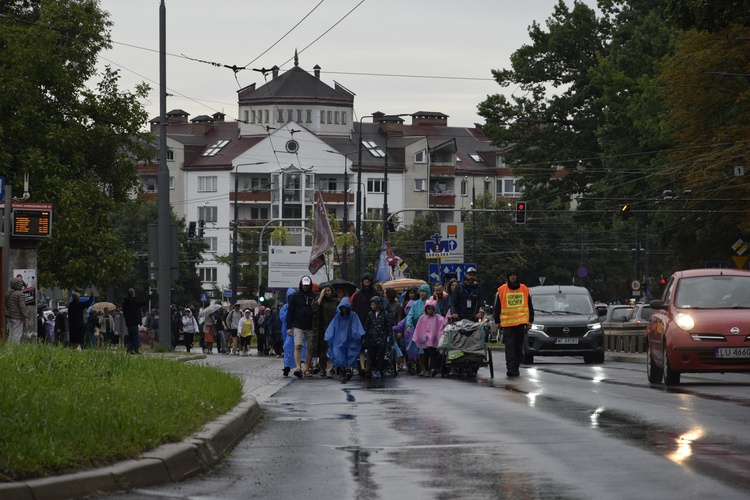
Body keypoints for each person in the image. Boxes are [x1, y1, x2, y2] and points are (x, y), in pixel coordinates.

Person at [492, 268, 534, 377]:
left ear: (517, 276)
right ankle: (510, 368)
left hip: (520, 323)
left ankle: (516, 368)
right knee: (509, 347)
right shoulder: (502, 290)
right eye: (511, 275)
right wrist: (497, 321)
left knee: (518, 347)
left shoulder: (524, 289)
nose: (513, 277)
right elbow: (498, 307)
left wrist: (530, 321)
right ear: (508, 277)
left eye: (515, 275)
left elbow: (529, 306)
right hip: (507, 324)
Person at [324, 297, 365, 382]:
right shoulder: (337, 317)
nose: (344, 309)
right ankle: (344, 370)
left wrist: (357, 337)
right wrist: (329, 336)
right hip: (339, 340)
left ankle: (347, 370)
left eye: (345, 307)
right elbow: (332, 327)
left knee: (350, 355)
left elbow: (356, 327)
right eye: (342, 308)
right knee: (339, 355)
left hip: (350, 339)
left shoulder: (353, 316)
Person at [286, 275, 318, 378]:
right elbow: (290, 312)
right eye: (304, 285)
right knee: (298, 345)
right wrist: (289, 327)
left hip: (311, 325)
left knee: (310, 348)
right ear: (301, 284)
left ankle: (307, 368)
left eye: (307, 285)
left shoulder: (314, 295)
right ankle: (298, 367)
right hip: (298, 325)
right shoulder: (295, 296)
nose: (306, 287)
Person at [411, 298, 447, 377]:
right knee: (426, 354)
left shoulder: (437, 317)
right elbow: (418, 328)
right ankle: (426, 370)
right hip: (425, 339)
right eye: (428, 309)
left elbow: (443, 322)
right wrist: (418, 336)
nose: (430, 311)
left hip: (432, 339)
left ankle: (433, 368)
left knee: (432, 353)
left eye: (431, 309)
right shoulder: (422, 318)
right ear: (425, 309)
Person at [312, 284, 339, 378]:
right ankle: (322, 368)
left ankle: (329, 370)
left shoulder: (336, 301)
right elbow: (314, 309)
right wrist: (320, 296)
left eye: (329, 291)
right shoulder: (319, 301)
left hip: (332, 328)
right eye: (325, 291)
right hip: (321, 328)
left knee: (330, 349)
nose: (327, 293)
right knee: (322, 350)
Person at [363, 296, 392, 379]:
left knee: (381, 355)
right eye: (371, 304)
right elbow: (367, 326)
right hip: (372, 338)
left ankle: (379, 370)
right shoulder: (370, 314)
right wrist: (365, 337)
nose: (372, 306)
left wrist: (390, 337)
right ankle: (374, 367)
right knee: (371, 355)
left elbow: (388, 327)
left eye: (373, 304)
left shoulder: (385, 314)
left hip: (381, 338)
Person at [122, 288, 151, 354]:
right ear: (133, 294)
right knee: (136, 336)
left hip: (128, 322)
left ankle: (129, 349)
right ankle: (136, 349)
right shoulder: (134, 301)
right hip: (134, 321)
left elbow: (124, 312)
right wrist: (149, 296)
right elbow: (144, 302)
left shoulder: (125, 302)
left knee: (130, 336)